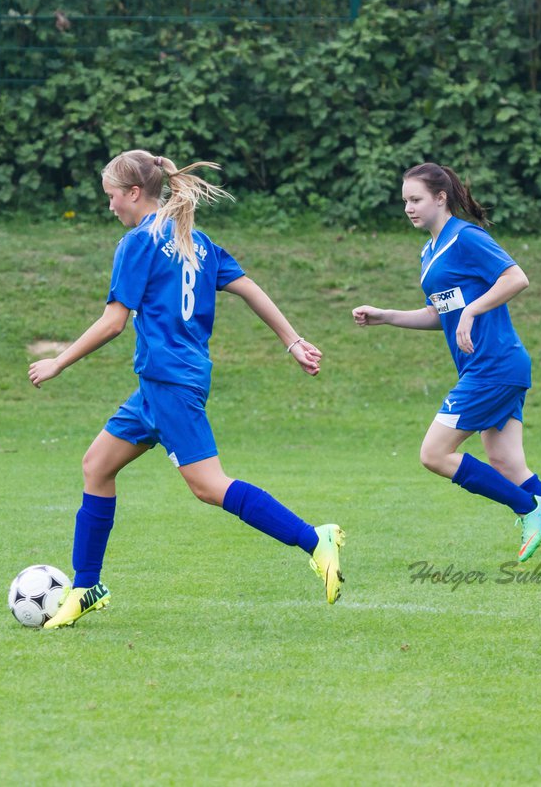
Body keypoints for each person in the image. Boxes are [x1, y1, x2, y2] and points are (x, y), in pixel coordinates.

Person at [28, 149, 345, 628]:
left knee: (209, 486)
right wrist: (292, 340)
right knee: (97, 465)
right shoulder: (194, 239)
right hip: (163, 383)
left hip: (171, 382)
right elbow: (249, 287)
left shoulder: (139, 242)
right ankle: (87, 585)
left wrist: (59, 362)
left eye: (111, 196)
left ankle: (313, 538)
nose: (109, 205)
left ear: (134, 193)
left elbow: (114, 323)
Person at [351, 162, 541, 575]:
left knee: (434, 453)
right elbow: (439, 313)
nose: (408, 208)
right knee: (508, 464)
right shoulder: (430, 250)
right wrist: (386, 315)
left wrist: (474, 310)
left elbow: (516, 278)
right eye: (404, 200)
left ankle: (529, 507)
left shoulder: (466, 237)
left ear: (441, 198)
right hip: (493, 368)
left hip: (493, 367)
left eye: (416, 199)